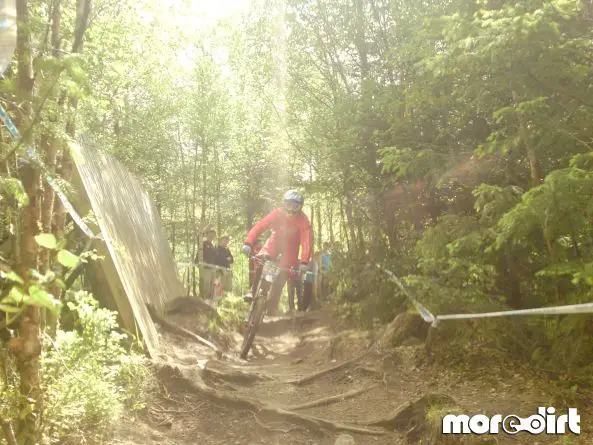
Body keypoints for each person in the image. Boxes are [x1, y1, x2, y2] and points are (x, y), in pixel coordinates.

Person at [241, 190, 312, 316]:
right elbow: (260, 226)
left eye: (296, 206)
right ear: (284, 204)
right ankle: (252, 291)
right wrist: (248, 242)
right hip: (275, 242)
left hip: (291, 248)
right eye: (289, 205)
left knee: (282, 273)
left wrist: (304, 261)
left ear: (300, 207)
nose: (292, 209)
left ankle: (271, 305)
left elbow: (306, 241)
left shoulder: (303, 220)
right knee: (263, 260)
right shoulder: (277, 213)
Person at [198, 227, 218, 299]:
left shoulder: (213, 246)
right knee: (206, 283)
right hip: (205, 267)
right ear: (207, 235)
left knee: (212, 284)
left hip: (212, 267)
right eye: (210, 235)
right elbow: (200, 236)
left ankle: (210, 299)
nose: (211, 237)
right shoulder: (203, 242)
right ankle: (204, 298)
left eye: (213, 236)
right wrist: (207, 227)